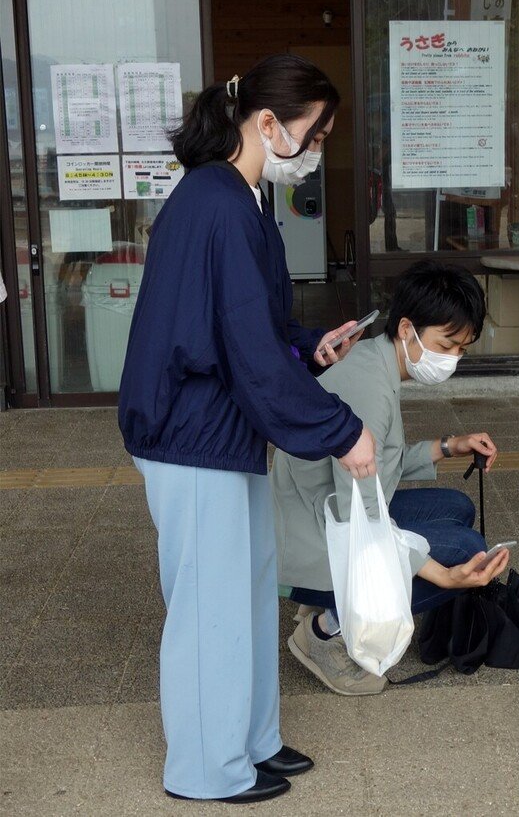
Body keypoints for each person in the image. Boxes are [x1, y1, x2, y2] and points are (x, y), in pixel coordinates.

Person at [118, 54, 378, 804]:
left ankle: (251, 741)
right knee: (210, 610)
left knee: (247, 594)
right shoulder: (219, 202)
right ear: (268, 123)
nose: (320, 146)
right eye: (317, 131)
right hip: (190, 431)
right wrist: (341, 429)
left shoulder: (243, 200)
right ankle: (206, 770)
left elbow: (258, 333)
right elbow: (246, 350)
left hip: (214, 428)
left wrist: (308, 346)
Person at [272, 259, 510, 696]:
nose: (452, 359)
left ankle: (329, 603)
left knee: (458, 509)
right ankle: (327, 630)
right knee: (466, 552)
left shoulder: (375, 359)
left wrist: (447, 446)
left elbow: (381, 462)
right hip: (318, 530)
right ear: (407, 328)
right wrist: (439, 574)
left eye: (462, 349)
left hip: (323, 506)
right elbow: (357, 514)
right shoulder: (370, 388)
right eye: (447, 344)